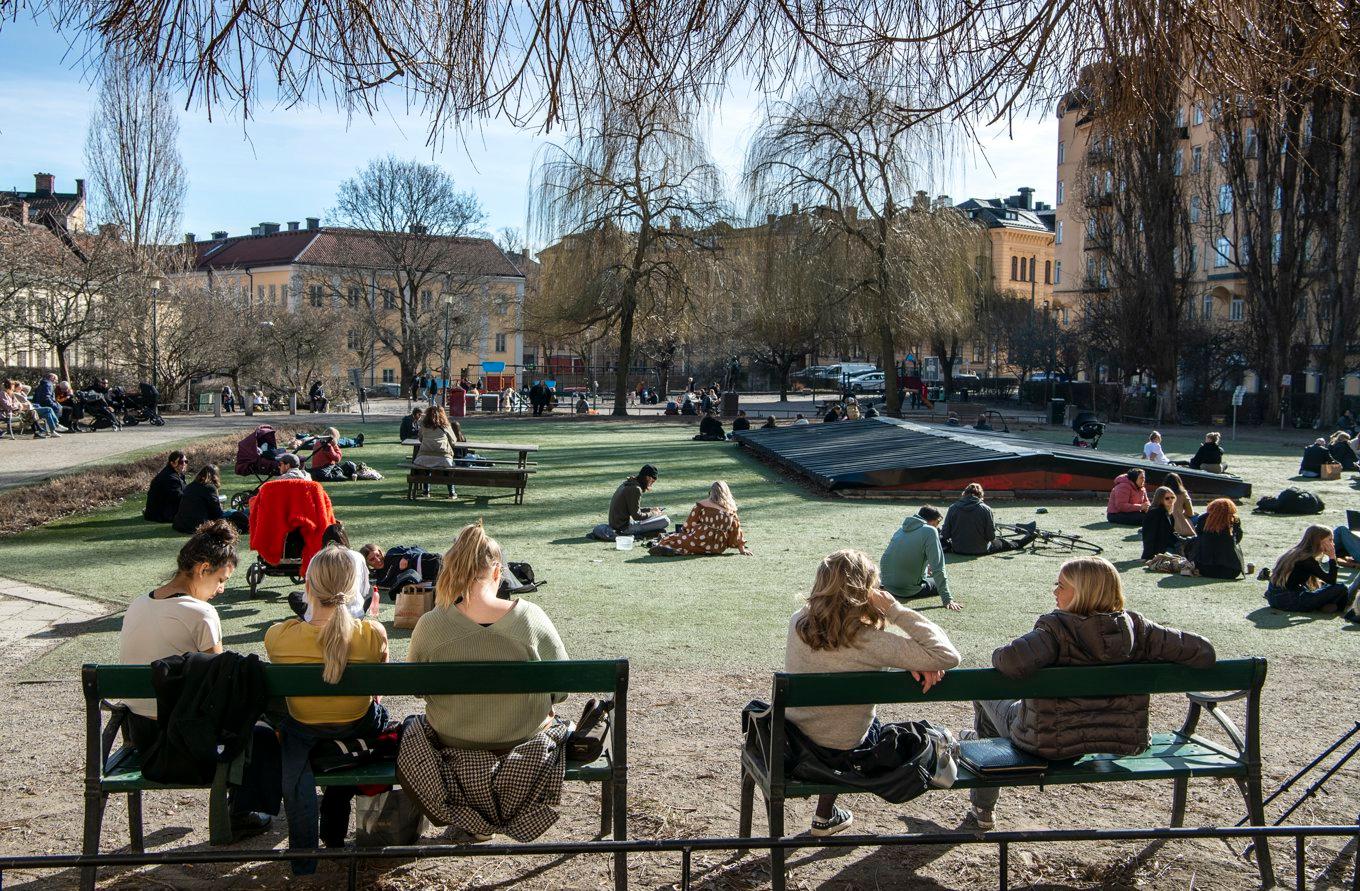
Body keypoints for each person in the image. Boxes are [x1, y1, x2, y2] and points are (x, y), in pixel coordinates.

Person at [964, 556, 1215, 830]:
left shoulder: (1055, 630)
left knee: (984, 692)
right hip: (1120, 739)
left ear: (1082, 592)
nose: (1054, 591)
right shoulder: (1138, 628)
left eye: (1061, 585)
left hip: (1048, 742)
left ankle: (983, 801)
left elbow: (1008, 661)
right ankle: (976, 749)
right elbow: (1203, 652)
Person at [118, 520, 277, 840]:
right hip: (182, 740)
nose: (220, 590)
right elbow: (222, 684)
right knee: (260, 728)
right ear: (203, 569)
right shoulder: (201, 614)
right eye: (220, 580)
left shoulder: (139, 602)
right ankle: (241, 812)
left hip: (140, 732)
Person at [784, 549, 961, 836]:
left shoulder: (798, 623)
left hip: (796, 741)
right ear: (866, 591)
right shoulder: (871, 643)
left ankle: (825, 817)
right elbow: (947, 655)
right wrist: (895, 611)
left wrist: (912, 661)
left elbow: (839, 654)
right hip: (845, 750)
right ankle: (824, 815)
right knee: (861, 723)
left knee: (839, 718)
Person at [265, 545, 389, 873]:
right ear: (353, 589)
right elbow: (379, 687)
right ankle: (336, 824)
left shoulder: (279, 637)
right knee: (375, 715)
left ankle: (310, 852)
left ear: (308, 587)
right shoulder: (372, 634)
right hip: (356, 727)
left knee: (288, 722)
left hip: (305, 729)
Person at [408, 523, 568, 754]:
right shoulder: (530, 617)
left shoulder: (431, 624)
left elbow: (417, 687)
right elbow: (561, 687)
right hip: (525, 736)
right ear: (496, 572)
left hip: (452, 738)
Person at [1263, 525, 1360, 614]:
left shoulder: (1295, 552)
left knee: (1323, 585)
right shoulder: (1307, 559)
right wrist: (1332, 557)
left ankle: (1325, 605)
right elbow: (1332, 581)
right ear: (1318, 541)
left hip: (1274, 598)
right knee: (1341, 587)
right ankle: (1336, 607)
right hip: (1289, 601)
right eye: (1330, 540)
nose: (1333, 544)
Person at [880, 506, 961, 610]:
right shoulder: (930, 531)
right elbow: (938, 568)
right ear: (932, 521)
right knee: (939, 582)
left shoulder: (901, 529)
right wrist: (947, 599)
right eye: (937, 523)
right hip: (907, 590)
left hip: (887, 586)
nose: (937, 527)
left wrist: (926, 567)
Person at [649, 481, 752, 556]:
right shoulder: (731, 510)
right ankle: (677, 550)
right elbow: (736, 531)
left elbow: (690, 523)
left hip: (699, 540)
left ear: (711, 492)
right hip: (718, 547)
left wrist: (685, 532)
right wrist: (742, 549)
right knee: (685, 542)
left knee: (669, 539)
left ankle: (673, 550)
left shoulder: (702, 505)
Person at [939, 483, 1037, 555]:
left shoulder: (952, 508)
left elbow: (945, 534)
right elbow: (990, 536)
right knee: (1009, 544)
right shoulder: (986, 509)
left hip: (958, 549)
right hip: (981, 550)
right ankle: (1028, 538)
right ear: (981, 495)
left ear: (964, 494)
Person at [174, 465, 248, 534]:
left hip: (181, 525)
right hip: (198, 525)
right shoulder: (209, 488)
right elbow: (217, 514)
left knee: (235, 512)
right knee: (235, 512)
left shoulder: (190, 486)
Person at [1186, 499, 1246, 580]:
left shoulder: (1203, 518)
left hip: (1204, 569)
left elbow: (1199, 534)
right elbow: (1238, 538)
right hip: (1231, 571)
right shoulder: (1234, 520)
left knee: (1195, 541)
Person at [608, 464, 670, 537]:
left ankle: (652, 532)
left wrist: (650, 509)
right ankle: (644, 534)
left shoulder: (628, 484)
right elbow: (637, 516)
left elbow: (631, 509)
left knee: (659, 523)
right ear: (648, 478)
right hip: (623, 528)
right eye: (652, 482)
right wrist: (653, 513)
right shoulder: (635, 489)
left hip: (616, 525)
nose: (651, 485)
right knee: (665, 520)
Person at [414, 405, 460, 497]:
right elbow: (453, 441)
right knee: (447, 469)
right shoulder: (446, 426)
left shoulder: (424, 426)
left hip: (423, 457)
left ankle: (426, 491)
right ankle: (452, 492)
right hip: (443, 457)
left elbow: (420, 438)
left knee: (427, 468)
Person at [361, 543, 442, 594]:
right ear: (367, 563)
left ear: (380, 552)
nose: (378, 560)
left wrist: (406, 557)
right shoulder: (379, 578)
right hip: (428, 580)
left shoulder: (392, 553)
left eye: (378, 555)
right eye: (372, 559)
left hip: (432, 562)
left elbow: (419, 549)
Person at [1140, 486, 1191, 559]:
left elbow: (1171, 534)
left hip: (1168, 546)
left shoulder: (1168, 513)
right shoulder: (1154, 513)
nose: (1170, 500)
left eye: (1172, 497)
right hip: (1159, 551)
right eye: (1167, 498)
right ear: (1160, 499)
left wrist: (1185, 540)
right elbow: (1149, 536)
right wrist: (1147, 556)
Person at [144, 451, 188, 523]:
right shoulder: (170, 478)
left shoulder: (175, 473)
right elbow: (178, 497)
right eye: (180, 462)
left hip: (161, 509)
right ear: (172, 463)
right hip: (160, 514)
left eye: (186, 461)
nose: (184, 464)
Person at [1163, 472, 1197, 537]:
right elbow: (1190, 513)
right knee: (1197, 517)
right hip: (1179, 526)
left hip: (1162, 524)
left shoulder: (1160, 493)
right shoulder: (1183, 494)